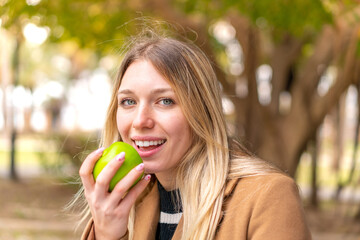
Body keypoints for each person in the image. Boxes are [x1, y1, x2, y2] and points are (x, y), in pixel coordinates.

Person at [77, 31, 312, 240]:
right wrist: (107, 235)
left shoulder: (267, 197)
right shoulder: (122, 206)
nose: (140, 121)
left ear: (202, 111)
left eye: (165, 101)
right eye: (128, 101)